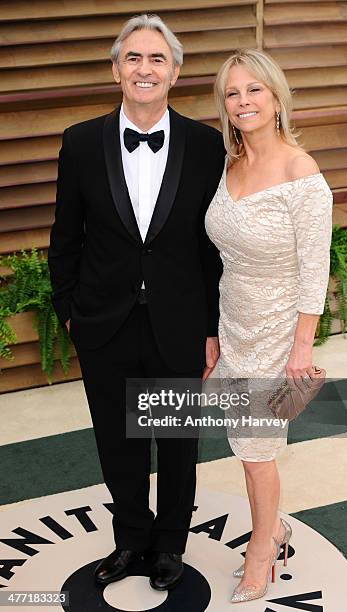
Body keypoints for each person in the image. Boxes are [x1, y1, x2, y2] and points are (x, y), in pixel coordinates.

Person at [48, 14, 225, 592]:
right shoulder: (80, 141)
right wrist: (71, 312)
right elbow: (65, 237)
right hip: (103, 321)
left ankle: (171, 544)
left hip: (178, 321)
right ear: (117, 69)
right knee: (116, 439)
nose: (144, 69)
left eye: (156, 59)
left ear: (175, 72)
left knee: (176, 442)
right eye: (133, 58)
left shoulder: (205, 145)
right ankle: (131, 538)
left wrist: (210, 326)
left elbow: (210, 248)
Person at [205, 49, 333, 603]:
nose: (243, 102)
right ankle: (270, 528)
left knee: (258, 450)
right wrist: (212, 330)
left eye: (254, 90)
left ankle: (264, 546)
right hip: (234, 322)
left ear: (277, 97)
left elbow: (315, 270)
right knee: (243, 443)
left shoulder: (301, 172)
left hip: (279, 332)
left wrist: (300, 352)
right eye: (233, 93)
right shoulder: (229, 165)